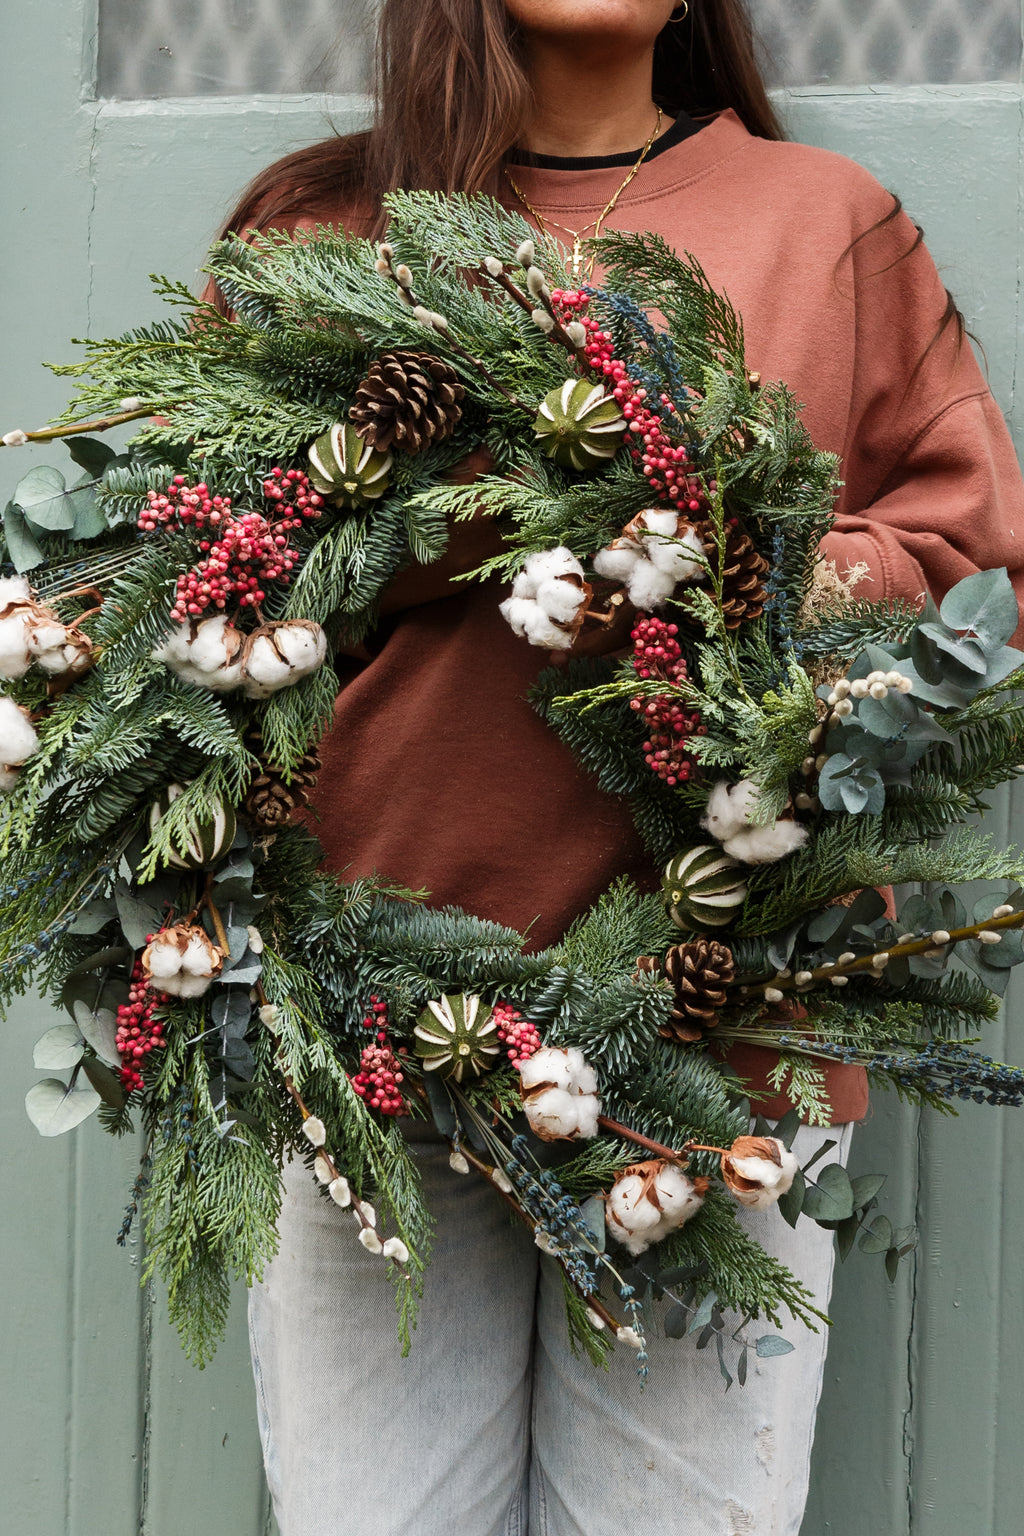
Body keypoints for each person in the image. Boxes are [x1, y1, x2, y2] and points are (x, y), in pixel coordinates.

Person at [211, 4, 1024, 1533]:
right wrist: (463, 511)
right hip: (381, 1041)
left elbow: (970, 568)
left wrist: (716, 555)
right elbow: (205, 588)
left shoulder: (828, 228)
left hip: (718, 1053)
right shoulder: (320, 234)